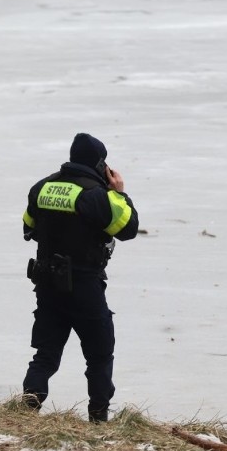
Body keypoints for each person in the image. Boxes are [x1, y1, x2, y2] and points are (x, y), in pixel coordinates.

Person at [21, 133, 139, 423]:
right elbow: (128, 228)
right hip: (84, 284)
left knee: (46, 353)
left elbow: (28, 227)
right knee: (99, 354)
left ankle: (28, 407)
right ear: (100, 164)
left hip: (47, 282)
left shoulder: (41, 187)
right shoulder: (97, 196)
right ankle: (98, 417)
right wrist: (120, 193)